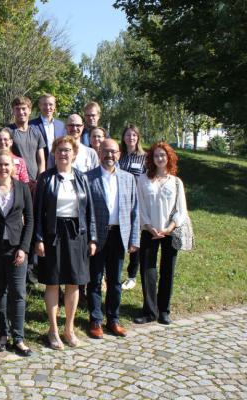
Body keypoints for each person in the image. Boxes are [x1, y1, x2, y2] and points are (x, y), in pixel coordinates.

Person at [34, 136, 97, 349]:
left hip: (76, 234)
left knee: (74, 281)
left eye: (68, 150)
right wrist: (39, 238)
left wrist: (92, 238)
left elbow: (90, 211)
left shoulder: (82, 178)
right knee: (53, 281)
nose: (63, 153)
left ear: (74, 153)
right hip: (52, 233)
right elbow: (37, 211)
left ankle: (68, 329)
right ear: (54, 152)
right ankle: (53, 330)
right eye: (60, 150)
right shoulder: (45, 178)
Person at [85, 139, 140, 339]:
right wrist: (89, 238)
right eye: (106, 152)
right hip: (97, 235)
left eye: (114, 152)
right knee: (95, 279)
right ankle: (95, 320)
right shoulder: (88, 178)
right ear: (99, 152)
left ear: (119, 154)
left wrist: (134, 239)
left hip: (119, 235)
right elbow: (85, 211)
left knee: (115, 281)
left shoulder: (128, 178)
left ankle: (113, 319)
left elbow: (135, 210)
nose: (110, 156)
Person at [0, 150, 34, 356]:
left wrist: (24, 248)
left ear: (14, 167)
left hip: (16, 248)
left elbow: (29, 220)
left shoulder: (23, 189)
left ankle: (19, 337)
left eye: (7, 165)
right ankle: (3, 333)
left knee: (19, 293)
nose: (3, 168)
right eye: (0, 164)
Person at [134, 142, 187, 326]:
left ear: (169, 157)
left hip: (169, 232)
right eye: (156, 155)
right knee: (148, 270)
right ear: (151, 158)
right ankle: (149, 310)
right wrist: (148, 226)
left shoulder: (176, 182)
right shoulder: (143, 180)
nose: (159, 158)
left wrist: (170, 227)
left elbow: (181, 210)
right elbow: (139, 205)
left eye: (163, 155)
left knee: (167, 271)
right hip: (149, 231)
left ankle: (164, 310)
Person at [118, 125, 147, 290]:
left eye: (134, 135)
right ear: (123, 138)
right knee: (120, 238)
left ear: (138, 138)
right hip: (120, 203)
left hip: (137, 204)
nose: (131, 138)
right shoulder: (119, 157)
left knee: (134, 240)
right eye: (128, 135)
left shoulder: (144, 158)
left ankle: (132, 276)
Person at [8, 96, 46, 189]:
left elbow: (41, 160)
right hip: (15, 183)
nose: (21, 112)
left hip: (35, 183)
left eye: (24, 109)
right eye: (17, 109)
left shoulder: (36, 132)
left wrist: (39, 180)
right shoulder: (8, 132)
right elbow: (4, 157)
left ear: (30, 110)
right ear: (13, 111)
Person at [29, 93, 66, 165]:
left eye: (51, 104)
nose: (48, 107)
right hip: (38, 165)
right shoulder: (31, 125)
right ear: (40, 106)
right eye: (45, 104)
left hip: (58, 165)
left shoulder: (61, 125)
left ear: (55, 106)